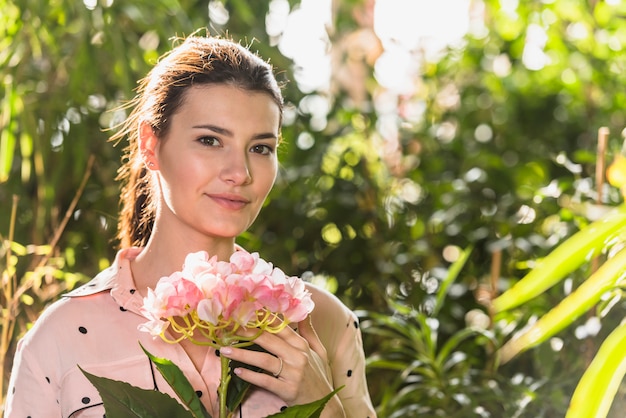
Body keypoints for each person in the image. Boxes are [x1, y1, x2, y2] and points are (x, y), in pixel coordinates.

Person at [4, 32, 377, 418]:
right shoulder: (60, 337)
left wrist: (324, 406)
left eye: (260, 148)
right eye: (210, 140)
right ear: (150, 145)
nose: (240, 173)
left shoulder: (322, 322)